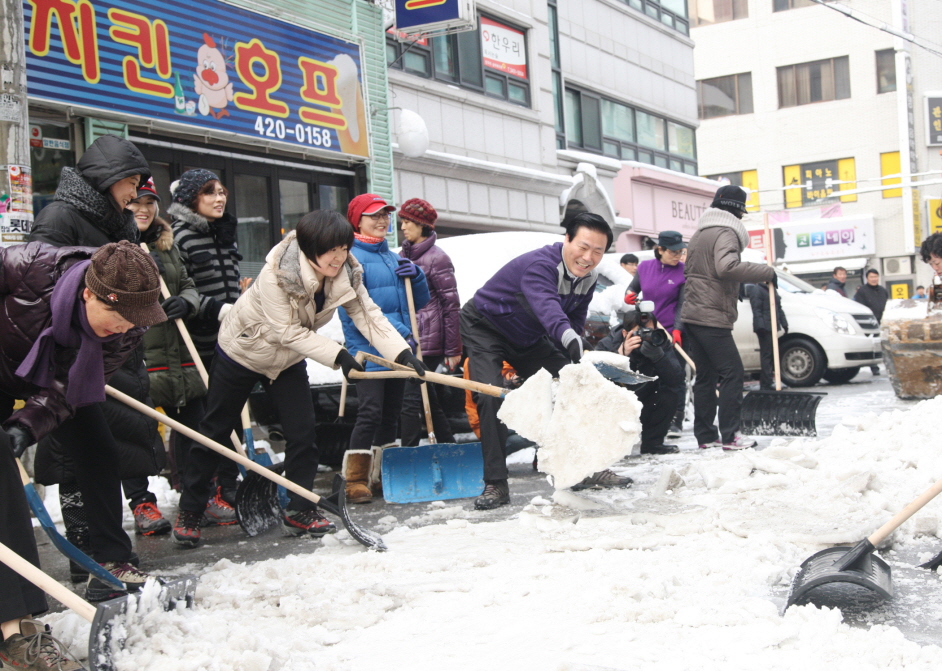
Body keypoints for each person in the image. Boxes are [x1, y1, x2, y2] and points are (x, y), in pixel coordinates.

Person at [171, 211, 423, 547]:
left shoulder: (346, 272)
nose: (338, 257)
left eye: (343, 248)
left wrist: (402, 355)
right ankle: (190, 511)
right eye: (330, 250)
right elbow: (286, 331)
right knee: (216, 429)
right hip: (243, 350)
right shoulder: (278, 274)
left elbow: (368, 314)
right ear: (309, 249)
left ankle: (300, 509)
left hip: (287, 358)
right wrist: (339, 356)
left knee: (303, 433)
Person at [0, 241, 167, 629]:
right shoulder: (30, 268)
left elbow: (68, 389)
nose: (123, 328)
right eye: (116, 316)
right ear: (88, 293)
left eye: (133, 321)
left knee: (99, 451)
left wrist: (26, 426)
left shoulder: (128, 327)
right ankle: (13, 606)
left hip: (63, 376)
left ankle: (110, 561)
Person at [28, 135, 168, 580]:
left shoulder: (118, 222)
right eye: (130, 181)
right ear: (107, 178)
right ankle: (84, 557)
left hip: (101, 350)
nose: (135, 191)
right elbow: (38, 285)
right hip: (58, 357)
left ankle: (110, 557)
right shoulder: (60, 216)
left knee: (101, 455)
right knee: (76, 461)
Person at [460, 212, 626, 509]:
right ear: (567, 239)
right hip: (485, 326)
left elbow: (574, 318)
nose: (588, 257)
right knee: (490, 394)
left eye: (597, 251)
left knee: (579, 385)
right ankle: (495, 484)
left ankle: (587, 467)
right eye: (583, 246)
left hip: (527, 337)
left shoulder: (588, 278)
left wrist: (573, 352)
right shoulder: (540, 266)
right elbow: (548, 308)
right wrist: (566, 336)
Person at [339, 194, 430, 505]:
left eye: (386, 215)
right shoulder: (351, 259)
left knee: (390, 416)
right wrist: (402, 335)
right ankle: (354, 480)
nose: (382, 221)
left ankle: (381, 475)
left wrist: (416, 277)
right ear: (357, 221)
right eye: (374, 215)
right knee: (370, 414)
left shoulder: (391, 257)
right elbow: (364, 311)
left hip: (399, 349)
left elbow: (419, 302)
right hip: (369, 351)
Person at [169, 169, 242, 520]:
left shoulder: (225, 234)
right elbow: (188, 290)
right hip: (199, 342)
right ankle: (198, 488)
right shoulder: (181, 237)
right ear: (190, 199)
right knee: (204, 421)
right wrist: (218, 308)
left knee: (233, 415)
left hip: (233, 338)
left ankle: (229, 485)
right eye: (209, 192)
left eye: (221, 191)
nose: (219, 198)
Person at [681, 185, 775, 451]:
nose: (743, 218)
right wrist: (765, 272)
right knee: (733, 373)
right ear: (735, 211)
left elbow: (701, 272)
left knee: (706, 378)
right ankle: (731, 435)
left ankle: (706, 436)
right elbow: (726, 267)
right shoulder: (726, 232)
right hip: (711, 316)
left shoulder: (700, 233)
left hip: (693, 313)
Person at [131, 179, 207, 503]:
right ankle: (141, 502)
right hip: (141, 356)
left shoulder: (167, 245)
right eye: (136, 202)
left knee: (195, 429)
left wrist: (186, 301)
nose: (144, 209)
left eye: (150, 203)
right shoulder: (118, 245)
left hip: (178, 354)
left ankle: (195, 496)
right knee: (135, 433)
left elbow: (188, 283)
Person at [397, 198, 461, 449]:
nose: (403, 226)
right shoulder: (403, 256)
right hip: (408, 337)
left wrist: (453, 348)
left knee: (410, 400)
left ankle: (408, 456)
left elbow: (451, 305)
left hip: (429, 340)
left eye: (408, 222)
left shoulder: (438, 258)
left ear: (422, 225)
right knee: (427, 399)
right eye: (402, 221)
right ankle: (451, 448)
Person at [596, 303, 684, 455]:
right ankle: (610, 446)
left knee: (670, 392)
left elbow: (676, 379)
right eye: (640, 333)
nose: (646, 336)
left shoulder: (660, 342)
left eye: (649, 331)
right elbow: (594, 379)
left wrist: (659, 357)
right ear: (625, 333)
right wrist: (621, 355)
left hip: (647, 399)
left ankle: (653, 444)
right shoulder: (608, 344)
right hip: (618, 403)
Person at [625, 230, 687, 437]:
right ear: (660, 249)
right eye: (674, 252)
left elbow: (682, 305)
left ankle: (676, 419)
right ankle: (649, 419)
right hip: (648, 331)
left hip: (670, 332)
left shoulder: (682, 272)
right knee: (650, 376)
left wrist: (678, 329)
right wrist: (630, 296)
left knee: (675, 376)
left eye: (681, 251)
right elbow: (631, 290)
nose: (678, 255)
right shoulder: (644, 268)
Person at [746, 282, 788, 390]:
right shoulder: (757, 289)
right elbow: (757, 310)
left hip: (772, 326)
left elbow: (778, 309)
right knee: (767, 354)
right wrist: (761, 327)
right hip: (765, 328)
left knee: (772, 354)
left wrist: (784, 323)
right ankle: (766, 382)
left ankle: (769, 380)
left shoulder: (771, 289)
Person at [854, 268, 889, 375]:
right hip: (869, 323)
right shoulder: (862, 291)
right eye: (871, 277)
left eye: (875, 277)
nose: (874, 279)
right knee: (872, 345)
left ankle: (886, 364)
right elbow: (859, 307)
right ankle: (874, 366)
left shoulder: (883, 290)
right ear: (867, 278)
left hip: (882, 321)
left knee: (884, 344)